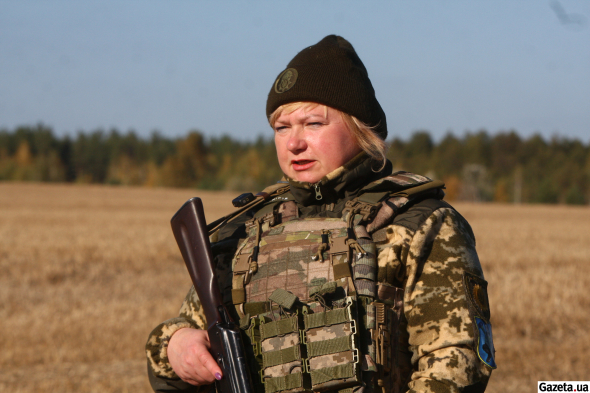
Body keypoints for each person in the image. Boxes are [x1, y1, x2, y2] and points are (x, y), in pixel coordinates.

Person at [146, 35, 496, 393]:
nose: (294, 142)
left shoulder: (419, 223)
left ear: (360, 127)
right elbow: (183, 335)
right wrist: (175, 345)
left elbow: (456, 365)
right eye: (282, 127)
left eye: (313, 124)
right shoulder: (243, 230)